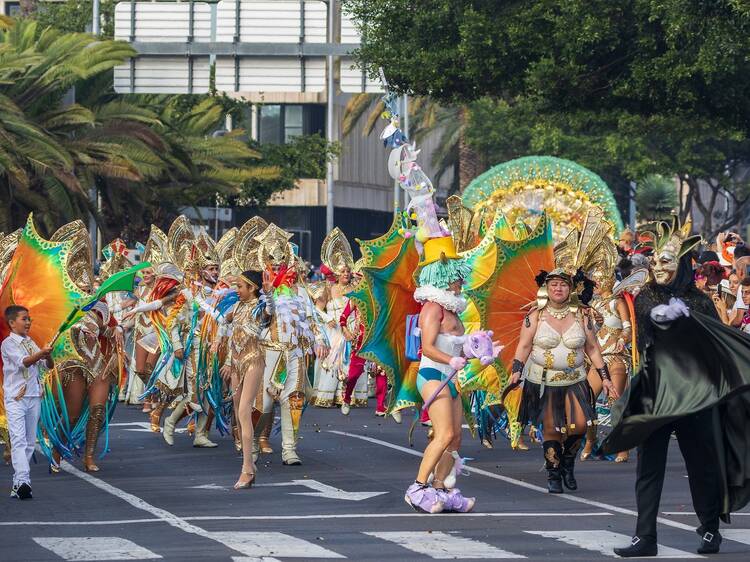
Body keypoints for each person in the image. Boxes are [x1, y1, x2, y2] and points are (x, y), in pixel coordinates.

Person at [606, 217, 750, 557]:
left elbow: (716, 343)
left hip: (694, 395)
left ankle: (711, 529)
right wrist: (657, 319)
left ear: (682, 264)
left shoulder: (699, 302)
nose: (658, 267)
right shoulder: (645, 298)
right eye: (655, 261)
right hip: (657, 394)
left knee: (702, 464)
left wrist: (689, 322)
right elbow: (644, 335)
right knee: (648, 466)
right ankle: (645, 538)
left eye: (666, 261)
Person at [510, 268, 618, 494]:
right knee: (551, 428)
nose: (558, 289)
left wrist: (605, 379)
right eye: (554, 285)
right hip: (544, 380)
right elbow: (524, 346)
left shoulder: (582, 315)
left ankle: (568, 463)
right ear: (546, 289)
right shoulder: (535, 316)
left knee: (579, 425)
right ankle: (553, 472)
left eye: (563, 285)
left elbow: (593, 349)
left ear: (571, 289)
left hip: (575, 379)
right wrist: (516, 371)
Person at [404, 236, 475, 514]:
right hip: (433, 373)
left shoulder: (452, 309)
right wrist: (452, 358)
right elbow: (428, 348)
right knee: (443, 433)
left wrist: (475, 348)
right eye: (456, 276)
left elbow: (457, 346)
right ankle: (418, 488)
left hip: (451, 376)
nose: (461, 281)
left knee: (455, 437)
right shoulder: (432, 308)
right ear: (443, 275)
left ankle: (442, 489)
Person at [220, 270, 273, 489]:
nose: (237, 290)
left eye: (241, 287)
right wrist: (223, 353)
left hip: (253, 361)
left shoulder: (260, 308)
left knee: (244, 412)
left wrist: (269, 295)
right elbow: (222, 322)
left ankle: (247, 469)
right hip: (235, 363)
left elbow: (271, 310)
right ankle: (249, 463)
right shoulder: (238, 307)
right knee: (237, 412)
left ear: (252, 288)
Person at [1, 305, 53, 499]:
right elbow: (24, 362)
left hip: (33, 396)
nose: (28, 322)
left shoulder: (31, 342)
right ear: (12, 323)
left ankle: (18, 483)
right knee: (18, 440)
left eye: (29, 319)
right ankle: (23, 481)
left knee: (30, 442)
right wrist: (42, 353)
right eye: (24, 319)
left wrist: (49, 355)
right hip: (16, 398)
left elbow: (47, 366)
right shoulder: (8, 344)